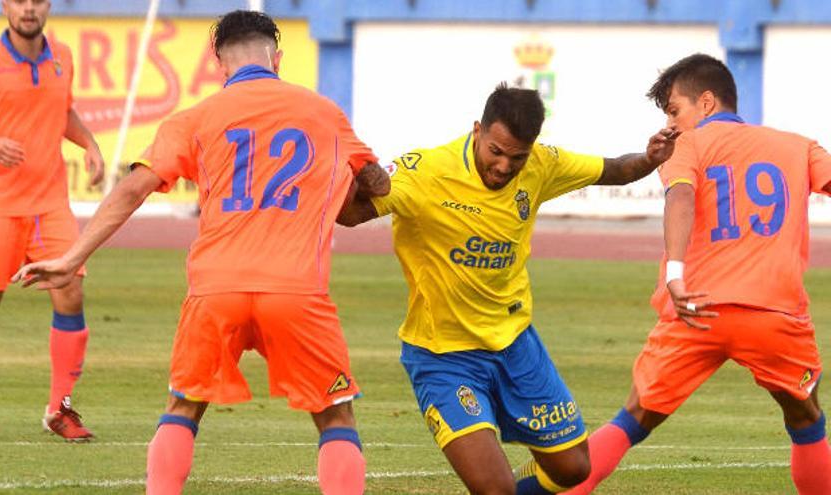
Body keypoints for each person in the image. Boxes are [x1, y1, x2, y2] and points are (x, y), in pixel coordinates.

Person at [14, 10, 388, 495]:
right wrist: (347, 188)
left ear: (219, 62)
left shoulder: (194, 119)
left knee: (184, 407)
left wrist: (70, 257)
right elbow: (375, 187)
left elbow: (133, 189)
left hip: (216, 290)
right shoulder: (325, 113)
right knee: (335, 414)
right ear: (277, 58)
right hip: (296, 292)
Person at [337, 83, 678, 495]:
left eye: (516, 158)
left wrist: (649, 157)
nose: (503, 166)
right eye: (495, 151)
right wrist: (358, 180)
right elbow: (350, 215)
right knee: (496, 489)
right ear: (478, 130)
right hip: (443, 356)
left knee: (573, 467)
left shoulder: (543, 164)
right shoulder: (426, 170)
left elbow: (615, 169)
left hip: (516, 345)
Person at [563, 54, 831, 495]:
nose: (671, 123)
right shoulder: (798, 145)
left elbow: (680, 198)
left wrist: (675, 273)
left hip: (695, 309)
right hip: (774, 316)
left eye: (674, 110)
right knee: (806, 420)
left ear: (706, 102)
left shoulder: (686, 146)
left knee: (631, 420)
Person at [0, 0, 104, 442]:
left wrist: (89, 144)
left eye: (37, 0)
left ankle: (61, 409)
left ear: (47, 6)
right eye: (20, 1)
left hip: (49, 205)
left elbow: (62, 113)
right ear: (5, 7)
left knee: (70, 293)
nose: (29, 9)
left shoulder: (62, 56)